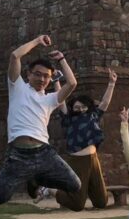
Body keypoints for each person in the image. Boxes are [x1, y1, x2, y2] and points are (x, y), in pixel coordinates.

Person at [0, 35, 81, 205]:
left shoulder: (51, 99)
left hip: (43, 153)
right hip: (18, 154)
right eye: (37, 75)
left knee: (74, 184)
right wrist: (37, 42)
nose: (42, 79)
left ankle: (38, 179)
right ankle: (30, 175)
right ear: (28, 75)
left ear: (50, 79)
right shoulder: (17, 88)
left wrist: (62, 59)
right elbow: (15, 56)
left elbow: (72, 83)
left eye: (46, 76)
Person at [35, 67, 118, 210]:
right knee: (77, 204)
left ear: (88, 108)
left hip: (93, 159)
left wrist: (111, 83)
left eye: (83, 107)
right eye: (76, 107)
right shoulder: (69, 118)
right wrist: (56, 82)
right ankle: (49, 189)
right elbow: (61, 101)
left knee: (101, 202)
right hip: (78, 160)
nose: (80, 110)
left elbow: (104, 103)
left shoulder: (93, 116)